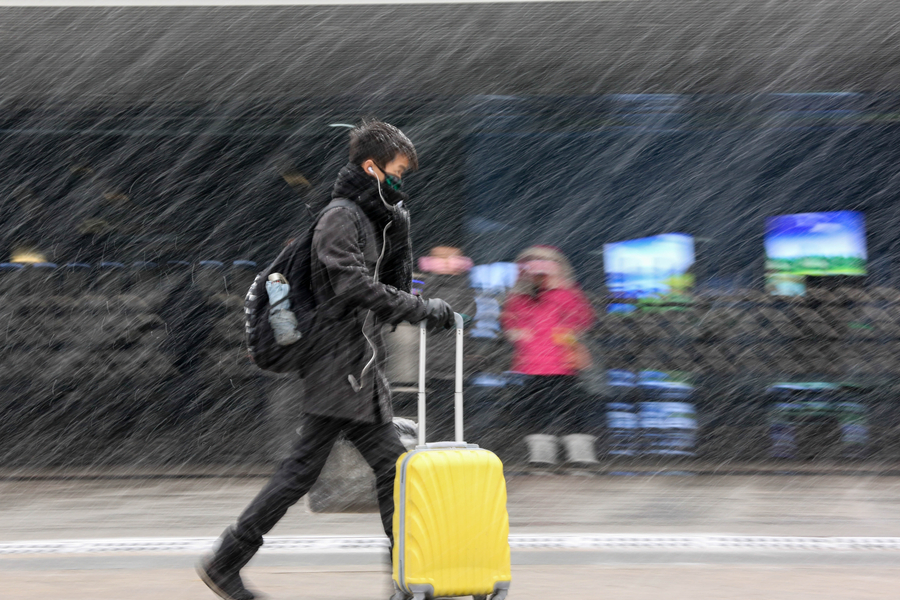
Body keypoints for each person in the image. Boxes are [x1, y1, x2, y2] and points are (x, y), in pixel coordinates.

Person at [197, 120, 456, 600]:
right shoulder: (342, 216)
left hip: (351, 361)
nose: (402, 183)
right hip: (339, 363)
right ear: (371, 167)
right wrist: (422, 310)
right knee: (385, 471)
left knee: (326, 471)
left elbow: (386, 284)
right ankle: (405, 578)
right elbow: (352, 286)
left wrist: (398, 228)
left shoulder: (367, 217)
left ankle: (227, 560)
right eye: (397, 173)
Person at [499, 245, 595, 462]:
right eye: (532, 265)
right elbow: (509, 321)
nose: (538, 271)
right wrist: (519, 333)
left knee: (569, 407)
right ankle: (543, 454)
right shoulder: (520, 298)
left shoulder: (566, 294)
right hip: (534, 363)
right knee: (539, 408)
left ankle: (578, 452)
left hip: (562, 362)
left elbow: (582, 318)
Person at [417, 246, 477, 442]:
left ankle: (454, 439)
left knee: (456, 402)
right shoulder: (425, 284)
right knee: (437, 403)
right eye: (440, 259)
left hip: (457, 357)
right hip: (434, 358)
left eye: (450, 259)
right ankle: (436, 439)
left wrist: (447, 320)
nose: (445, 263)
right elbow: (418, 310)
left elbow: (468, 315)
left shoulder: (465, 286)